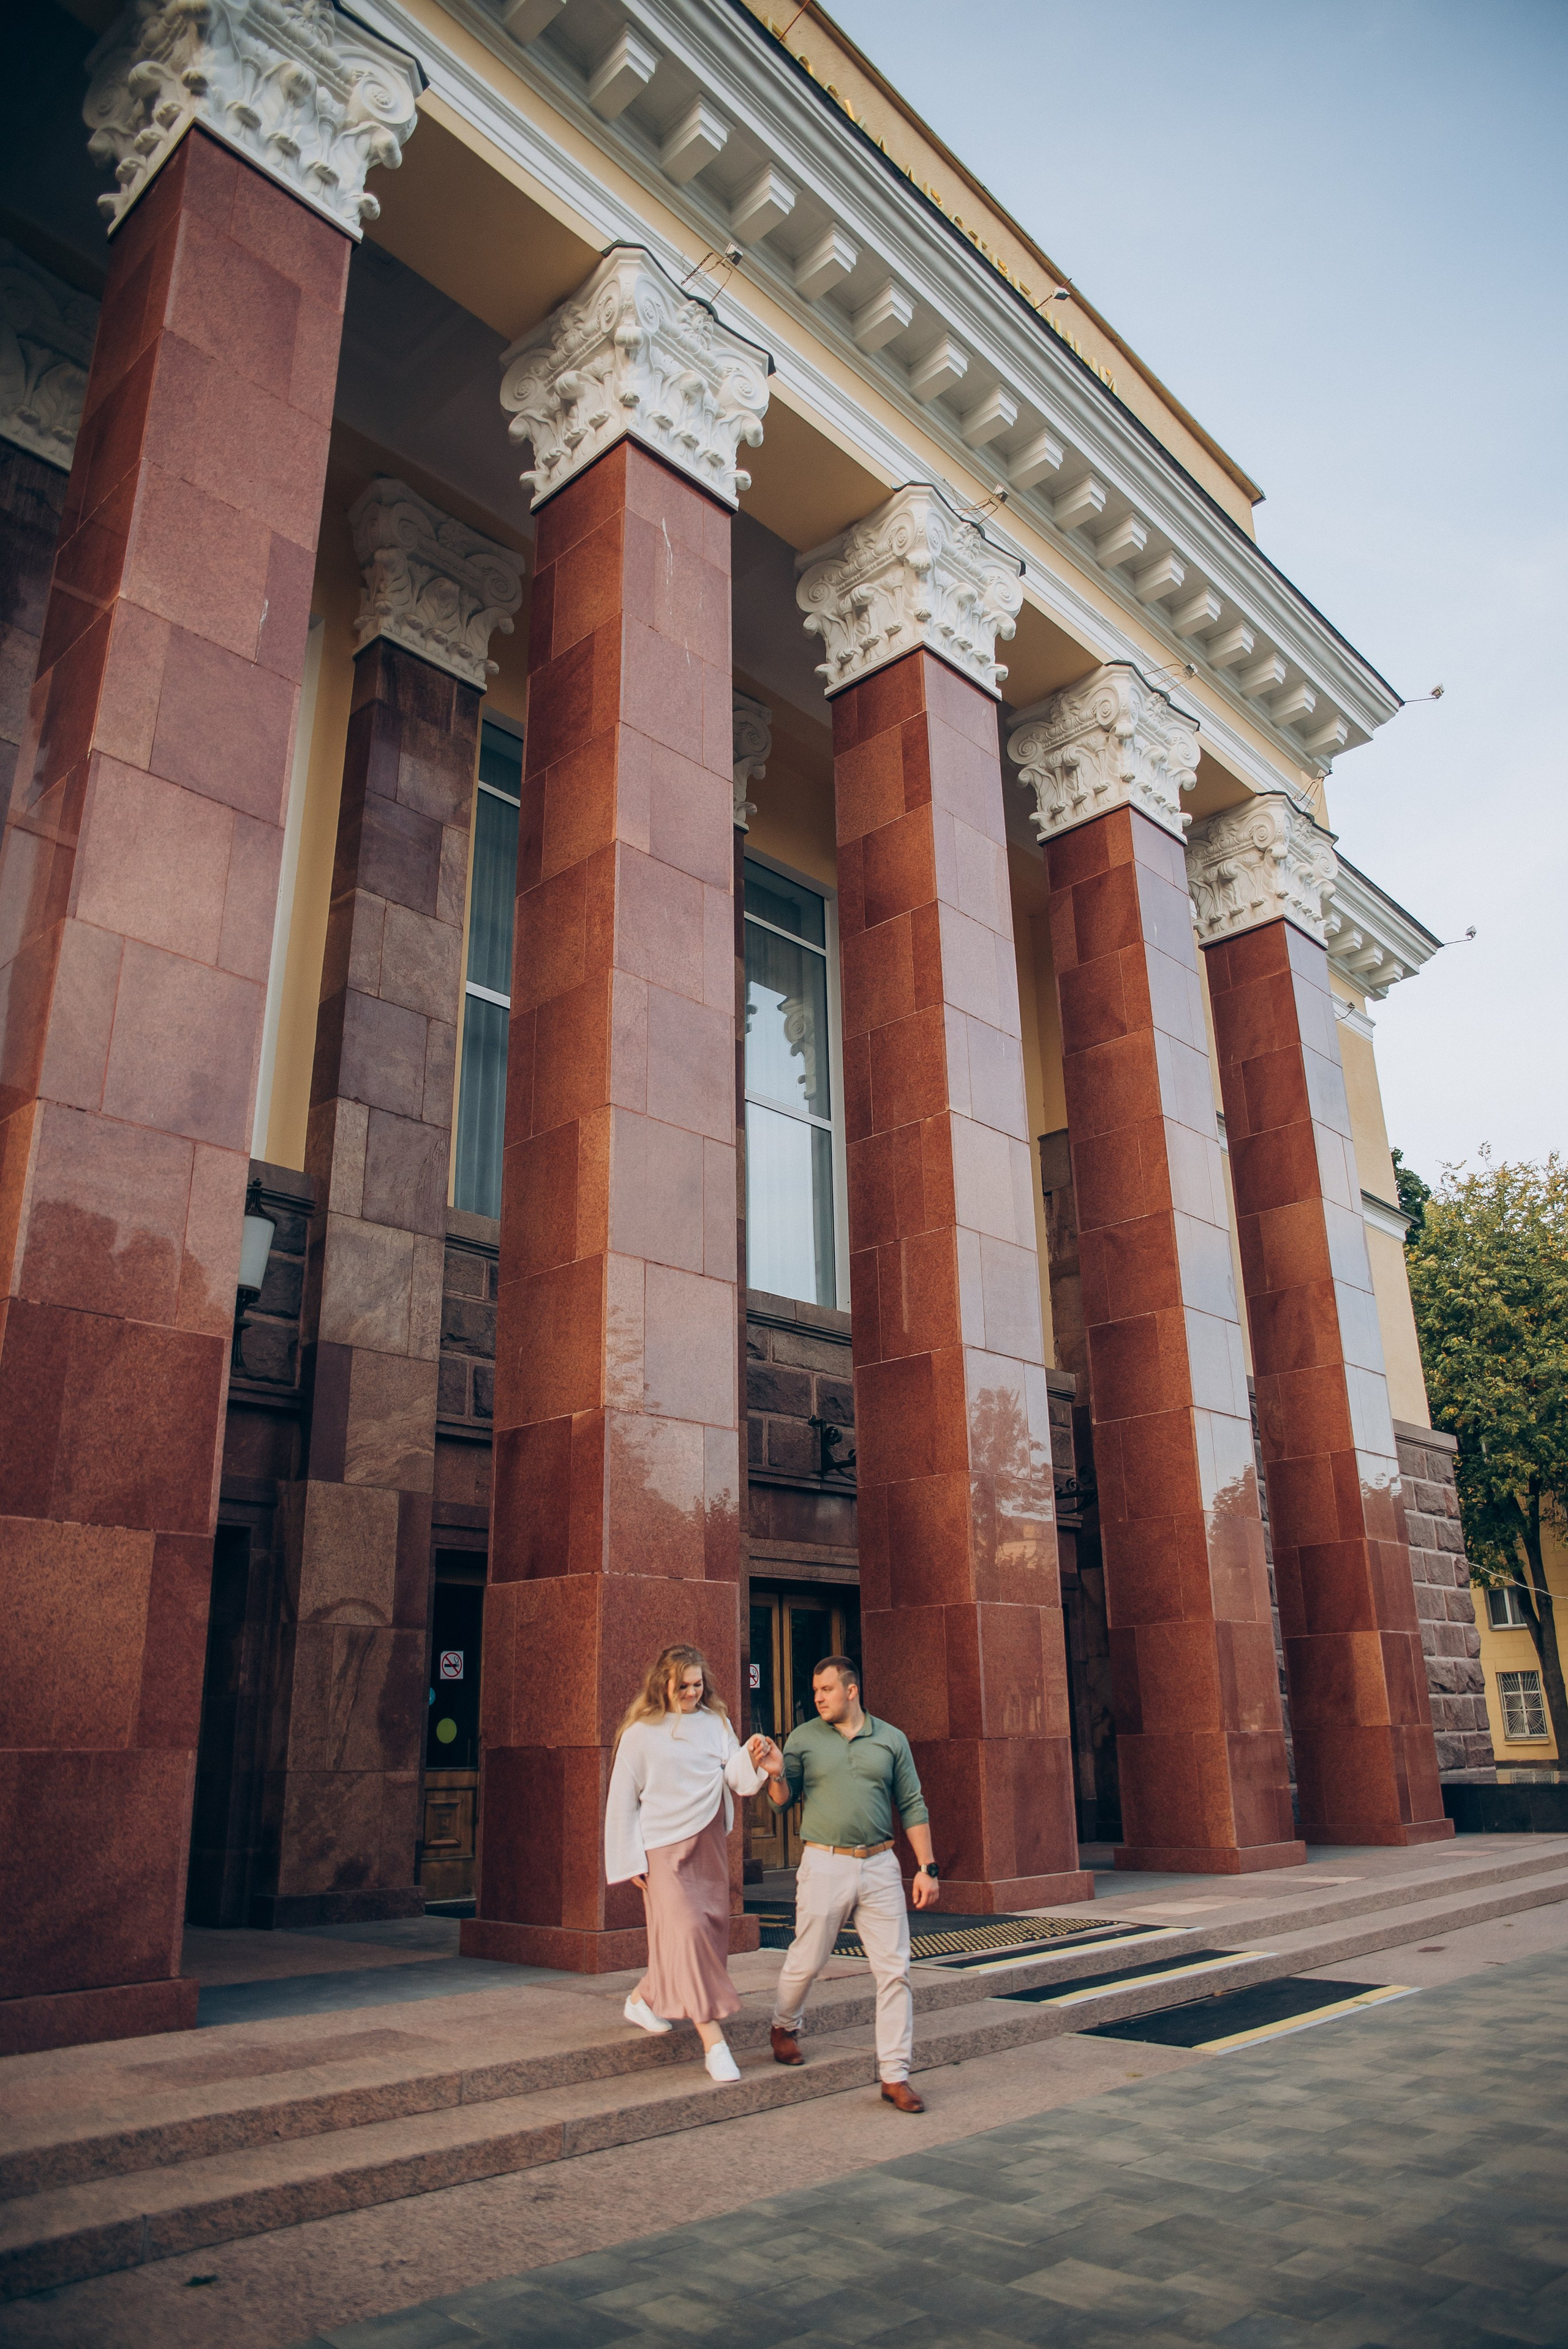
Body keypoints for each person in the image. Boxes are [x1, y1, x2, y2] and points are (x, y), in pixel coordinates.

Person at [755, 1655, 938, 2114]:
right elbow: (781, 1802)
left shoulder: (891, 1739)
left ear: (852, 1690)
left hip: (880, 1864)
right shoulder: (802, 1738)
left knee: (895, 1970)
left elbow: (912, 1804)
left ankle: (895, 2074)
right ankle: (784, 2025)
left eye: (827, 1689)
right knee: (807, 1958)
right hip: (824, 1862)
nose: (818, 1697)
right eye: (815, 1690)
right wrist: (776, 1771)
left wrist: (927, 1866)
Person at [604, 1644, 769, 2084]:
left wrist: (753, 1756)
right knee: (689, 1933)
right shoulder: (640, 1732)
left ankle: (643, 1997)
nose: (693, 1693)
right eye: (684, 1686)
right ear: (665, 1684)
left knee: (704, 1932)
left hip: (709, 1843)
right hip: (662, 1850)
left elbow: (736, 1777)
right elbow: (622, 1798)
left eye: (698, 1684)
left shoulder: (715, 1722)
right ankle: (713, 2041)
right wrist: (628, 1857)